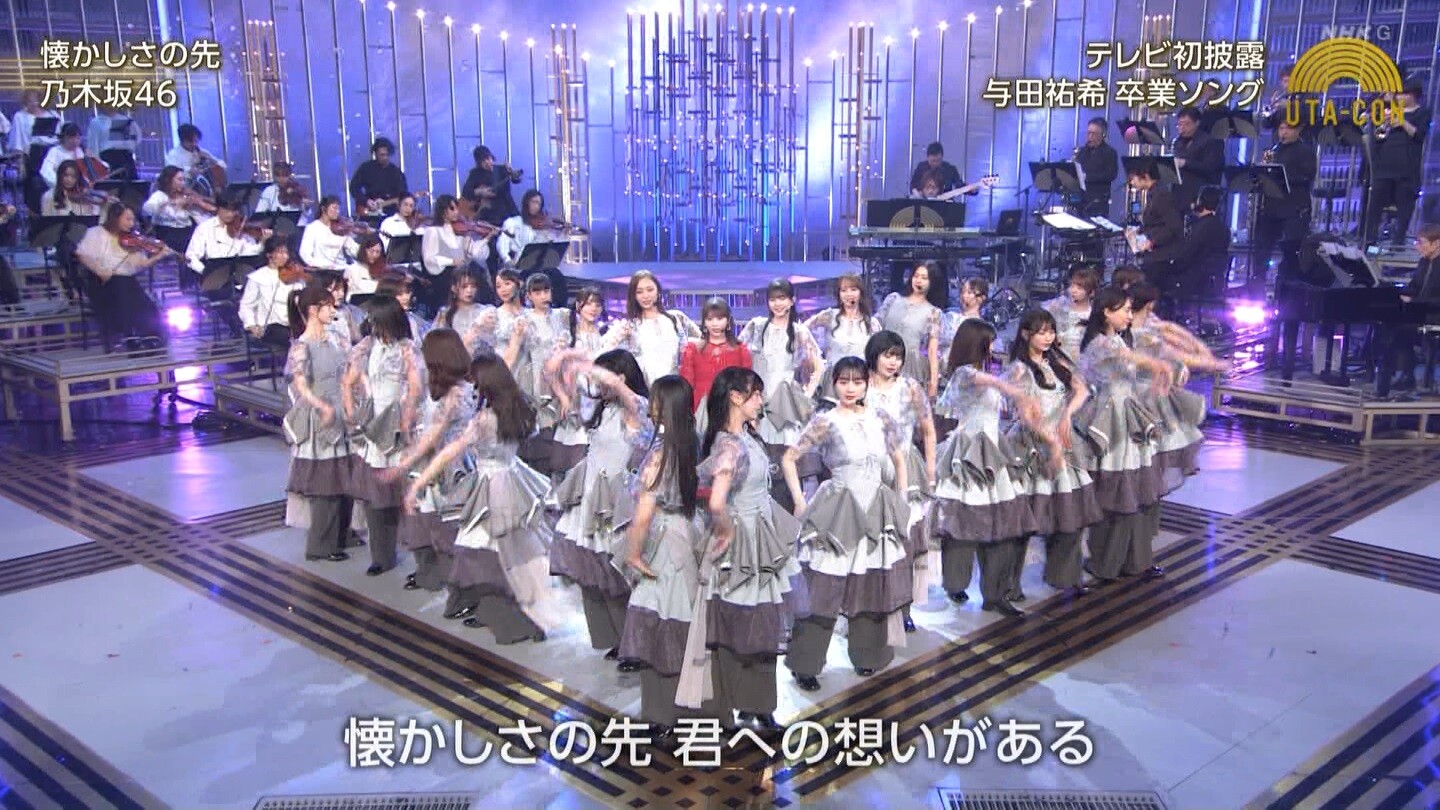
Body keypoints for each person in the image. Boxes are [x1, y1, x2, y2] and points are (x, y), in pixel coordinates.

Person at [782, 356, 912, 691]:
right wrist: (799, 500)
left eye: (857, 382)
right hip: (838, 511)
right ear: (834, 384)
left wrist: (901, 499)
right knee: (823, 591)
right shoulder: (825, 421)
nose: (850, 388)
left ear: (867, 383)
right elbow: (789, 458)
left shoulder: (881, 417)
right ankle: (805, 663)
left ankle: (869, 655)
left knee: (870, 585)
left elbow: (899, 458)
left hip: (876, 509)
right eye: (843, 382)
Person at [685, 367, 798, 731]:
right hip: (743, 545)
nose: (760, 400)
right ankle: (735, 705)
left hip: (761, 539)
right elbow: (717, 501)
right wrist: (727, 530)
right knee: (738, 624)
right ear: (736, 397)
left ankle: (757, 703)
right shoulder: (730, 444)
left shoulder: (746, 436)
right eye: (755, 394)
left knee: (760, 622)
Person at [930, 319, 1049, 616]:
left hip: (994, 452)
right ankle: (955, 583)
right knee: (964, 525)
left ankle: (995, 594)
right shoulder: (963, 374)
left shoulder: (984, 373)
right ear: (979, 343)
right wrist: (1014, 389)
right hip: (970, 455)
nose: (995, 346)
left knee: (1003, 525)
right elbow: (986, 382)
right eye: (991, 341)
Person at [616, 375, 705, 739]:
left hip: (664, 541)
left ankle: (662, 714)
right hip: (688, 531)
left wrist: (633, 554)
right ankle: (682, 708)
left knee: (658, 623)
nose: (650, 407)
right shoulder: (691, 442)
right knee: (682, 620)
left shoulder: (660, 454)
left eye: (654, 401)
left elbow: (643, 515)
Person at [548, 349, 652, 661]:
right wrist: (568, 359)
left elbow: (633, 401)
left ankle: (637, 645)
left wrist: (609, 379)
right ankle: (616, 638)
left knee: (619, 572)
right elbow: (556, 378)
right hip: (591, 494)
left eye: (605, 377)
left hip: (618, 500)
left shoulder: (635, 409)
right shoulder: (599, 407)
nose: (596, 383)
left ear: (621, 377)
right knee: (594, 571)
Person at [1076, 286, 1174, 583]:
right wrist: (1159, 365)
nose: (1130, 316)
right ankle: (1106, 562)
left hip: (1128, 417)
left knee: (1137, 491)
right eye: (1125, 310)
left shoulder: (1118, 340)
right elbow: (1134, 360)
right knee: (1115, 493)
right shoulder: (1100, 345)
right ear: (1107, 312)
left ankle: (1134, 559)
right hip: (1111, 421)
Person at [1005, 308, 1103, 600]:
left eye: (1051, 331)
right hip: (1032, 446)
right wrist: (1050, 438)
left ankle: (1065, 575)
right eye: (1041, 332)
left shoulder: (1056, 361)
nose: (1048, 337)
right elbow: (1025, 417)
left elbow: (1083, 390)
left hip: (1062, 442)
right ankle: (1009, 586)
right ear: (1026, 334)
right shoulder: (1019, 370)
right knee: (1025, 520)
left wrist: (1066, 415)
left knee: (1070, 514)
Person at [342, 294, 423, 576]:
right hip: (373, 426)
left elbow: (415, 388)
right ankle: (381, 556)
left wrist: (405, 423)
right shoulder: (368, 345)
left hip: (399, 425)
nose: (371, 324)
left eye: (376, 319)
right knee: (376, 496)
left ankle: (422, 560)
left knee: (408, 494)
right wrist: (352, 411)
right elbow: (349, 379)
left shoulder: (407, 348)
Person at [281, 285, 358, 563]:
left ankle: (342, 534)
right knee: (326, 483)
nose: (333, 310)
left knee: (345, 478)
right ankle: (320, 545)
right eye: (328, 305)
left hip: (341, 411)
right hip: (320, 418)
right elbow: (300, 384)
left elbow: (351, 368)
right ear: (314, 310)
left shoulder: (337, 338)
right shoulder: (301, 345)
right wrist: (322, 406)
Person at [72, 203, 173, 347]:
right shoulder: (96, 232)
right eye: (128, 219)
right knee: (121, 291)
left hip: (126, 281)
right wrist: (99, 270)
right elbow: (82, 254)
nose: (131, 224)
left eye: (133, 220)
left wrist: (159, 256)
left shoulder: (132, 240)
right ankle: (128, 334)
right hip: (101, 281)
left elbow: (142, 264)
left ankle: (150, 336)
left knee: (145, 304)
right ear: (115, 218)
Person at [1249, 121, 1314, 293]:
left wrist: (1281, 175)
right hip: (1272, 207)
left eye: (1288, 129)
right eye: (1281, 128)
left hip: (1294, 207)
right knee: (1262, 248)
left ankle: (1287, 289)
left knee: (1291, 251)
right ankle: (1257, 286)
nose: (1283, 133)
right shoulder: (1276, 150)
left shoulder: (1305, 150)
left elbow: (1307, 176)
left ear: (1298, 130)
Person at [1364, 83, 1432, 247]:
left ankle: (1398, 242)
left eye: (1401, 94)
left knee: (1404, 207)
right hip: (1384, 168)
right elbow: (1378, 137)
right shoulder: (1390, 111)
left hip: (1406, 169)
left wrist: (1401, 121)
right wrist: (1384, 124)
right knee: (1375, 207)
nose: (1397, 97)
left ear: (1411, 95)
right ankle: (1370, 241)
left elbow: (1418, 134)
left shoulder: (1422, 113)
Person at [608, 270, 701, 385]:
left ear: (658, 291)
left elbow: (702, 339)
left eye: (650, 290)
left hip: (675, 388)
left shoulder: (676, 318)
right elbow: (604, 351)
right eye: (639, 292)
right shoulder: (630, 325)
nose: (645, 296)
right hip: (645, 389)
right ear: (634, 296)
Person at [803, 273, 881, 403]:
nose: (848, 294)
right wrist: (813, 357)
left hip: (859, 381)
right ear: (838, 294)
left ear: (861, 292)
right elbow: (802, 331)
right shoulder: (829, 316)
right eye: (844, 290)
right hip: (832, 381)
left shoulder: (871, 323)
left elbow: (877, 356)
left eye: (853, 289)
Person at [877, 264, 943, 396]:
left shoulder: (933, 312)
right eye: (916, 276)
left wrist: (934, 382)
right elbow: (876, 325)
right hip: (883, 358)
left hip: (910, 365)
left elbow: (932, 350)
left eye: (924, 278)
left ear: (932, 282)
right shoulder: (893, 299)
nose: (918, 280)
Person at [680, 297, 752, 412]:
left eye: (719, 318)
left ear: (728, 320)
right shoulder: (692, 350)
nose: (715, 324)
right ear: (704, 322)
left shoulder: (740, 350)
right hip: (700, 409)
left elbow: (746, 384)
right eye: (709, 319)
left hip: (732, 408)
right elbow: (686, 385)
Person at [240, 235, 308, 352]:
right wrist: (252, 325)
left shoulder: (294, 275)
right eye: (280, 252)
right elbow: (246, 305)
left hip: (293, 323)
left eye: (286, 253)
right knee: (292, 339)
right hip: (271, 326)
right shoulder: (258, 277)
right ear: (269, 254)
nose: (285, 256)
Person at [1125, 159, 1185, 288]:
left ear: (1145, 176)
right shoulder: (1154, 193)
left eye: (1133, 178)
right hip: (1155, 253)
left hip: (1162, 256)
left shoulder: (1162, 195)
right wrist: (1137, 232)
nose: (1131, 183)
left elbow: (1172, 226)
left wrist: (1152, 241)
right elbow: (1155, 222)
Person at [1177, 186, 1232, 304]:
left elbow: (1187, 254)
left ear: (1201, 202)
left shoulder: (1200, 227)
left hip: (1196, 280)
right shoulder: (1224, 228)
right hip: (1216, 281)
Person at [1170, 106, 1224, 210]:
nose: (1182, 128)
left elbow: (1210, 167)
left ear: (1197, 123)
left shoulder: (1209, 141)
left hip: (1199, 193)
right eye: (1179, 124)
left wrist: (1185, 163)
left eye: (1187, 124)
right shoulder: (1178, 142)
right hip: (1179, 193)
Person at [460, 146, 522, 225]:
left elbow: (516, 180)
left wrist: (511, 171)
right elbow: (465, 192)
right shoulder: (475, 174)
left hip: (508, 210)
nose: (487, 162)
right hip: (488, 214)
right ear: (479, 163)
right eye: (483, 160)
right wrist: (480, 192)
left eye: (488, 158)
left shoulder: (502, 169)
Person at [349, 137, 409, 218]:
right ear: (375, 154)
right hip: (368, 213)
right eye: (382, 155)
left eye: (387, 155)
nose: (385, 158)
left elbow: (403, 195)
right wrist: (366, 201)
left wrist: (386, 202)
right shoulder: (366, 168)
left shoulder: (396, 173)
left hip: (390, 214)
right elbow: (353, 187)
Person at [1073, 117, 1119, 217]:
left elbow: (1111, 174)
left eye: (1094, 134)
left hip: (1098, 201)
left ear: (1103, 135)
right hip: (1080, 200)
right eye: (1088, 133)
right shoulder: (1082, 152)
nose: (1090, 137)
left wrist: (1087, 176)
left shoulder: (1110, 152)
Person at [164, 123, 226, 195]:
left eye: (196, 141)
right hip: (185, 192)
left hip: (206, 190)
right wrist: (189, 171)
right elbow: (170, 175)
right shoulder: (173, 155)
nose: (194, 144)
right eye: (190, 142)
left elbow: (223, 165)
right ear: (182, 140)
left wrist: (212, 162)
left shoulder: (202, 152)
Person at [39, 123, 104, 189]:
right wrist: (62, 184)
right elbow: (46, 172)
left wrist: (94, 159)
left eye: (78, 138)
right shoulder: (55, 151)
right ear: (63, 138)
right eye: (71, 138)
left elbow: (101, 168)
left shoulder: (82, 151)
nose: (75, 141)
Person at [86, 107, 141, 180]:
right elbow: (93, 147)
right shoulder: (96, 122)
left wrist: (128, 147)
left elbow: (137, 138)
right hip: (107, 160)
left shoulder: (126, 120)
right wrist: (100, 166)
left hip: (126, 160)